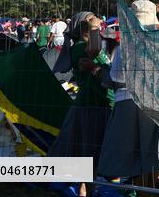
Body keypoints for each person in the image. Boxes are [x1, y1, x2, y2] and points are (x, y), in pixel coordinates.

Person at [97, 0, 159, 187]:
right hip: (153, 103)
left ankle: (140, 190)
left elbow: (115, 79)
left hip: (125, 102)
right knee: (151, 156)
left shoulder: (123, 48)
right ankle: (152, 190)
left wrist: (99, 72)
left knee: (131, 159)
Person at [48, 12, 114, 197]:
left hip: (101, 102)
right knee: (89, 149)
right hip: (91, 105)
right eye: (91, 20)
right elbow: (94, 52)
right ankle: (86, 189)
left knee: (93, 149)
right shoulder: (79, 48)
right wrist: (94, 26)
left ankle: (87, 187)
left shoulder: (93, 45)